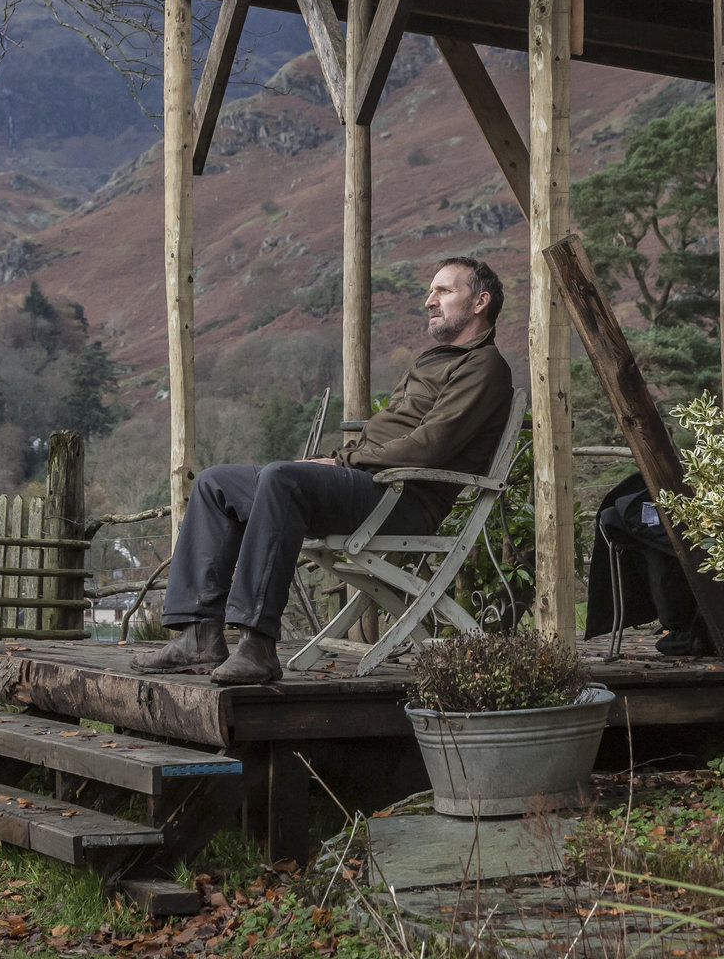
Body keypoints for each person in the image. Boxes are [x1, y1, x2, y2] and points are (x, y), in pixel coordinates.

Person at [134, 257, 515, 685]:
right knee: (214, 483)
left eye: (444, 291)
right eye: (430, 291)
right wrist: (338, 459)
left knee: (282, 479)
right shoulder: (433, 361)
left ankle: (257, 645)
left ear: (481, 301)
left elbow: (431, 447)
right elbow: (385, 439)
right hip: (370, 485)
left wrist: (341, 461)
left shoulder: (484, 367)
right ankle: (197, 636)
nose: (430, 300)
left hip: (405, 499)